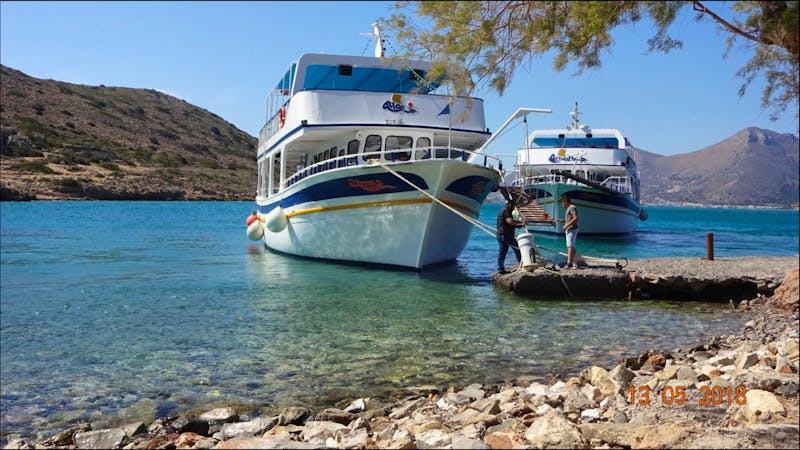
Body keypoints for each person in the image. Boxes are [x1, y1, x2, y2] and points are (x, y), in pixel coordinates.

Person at [496, 199, 525, 273]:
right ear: (510, 205)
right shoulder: (506, 211)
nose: (514, 207)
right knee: (517, 248)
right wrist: (520, 223)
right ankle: (522, 264)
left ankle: (500, 269)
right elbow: (510, 222)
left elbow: (507, 224)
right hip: (506, 235)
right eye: (513, 205)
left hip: (500, 234)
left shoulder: (502, 210)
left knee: (502, 252)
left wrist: (517, 225)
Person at [555, 194, 579, 268]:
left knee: (570, 246)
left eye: (562, 202)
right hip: (570, 229)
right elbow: (569, 219)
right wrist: (562, 220)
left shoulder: (572, 207)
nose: (561, 204)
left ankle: (569, 263)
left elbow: (575, 218)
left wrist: (566, 225)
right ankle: (575, 261)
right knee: (571, 246)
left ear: (565, 201)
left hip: (572, 229)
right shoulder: (569, 208)